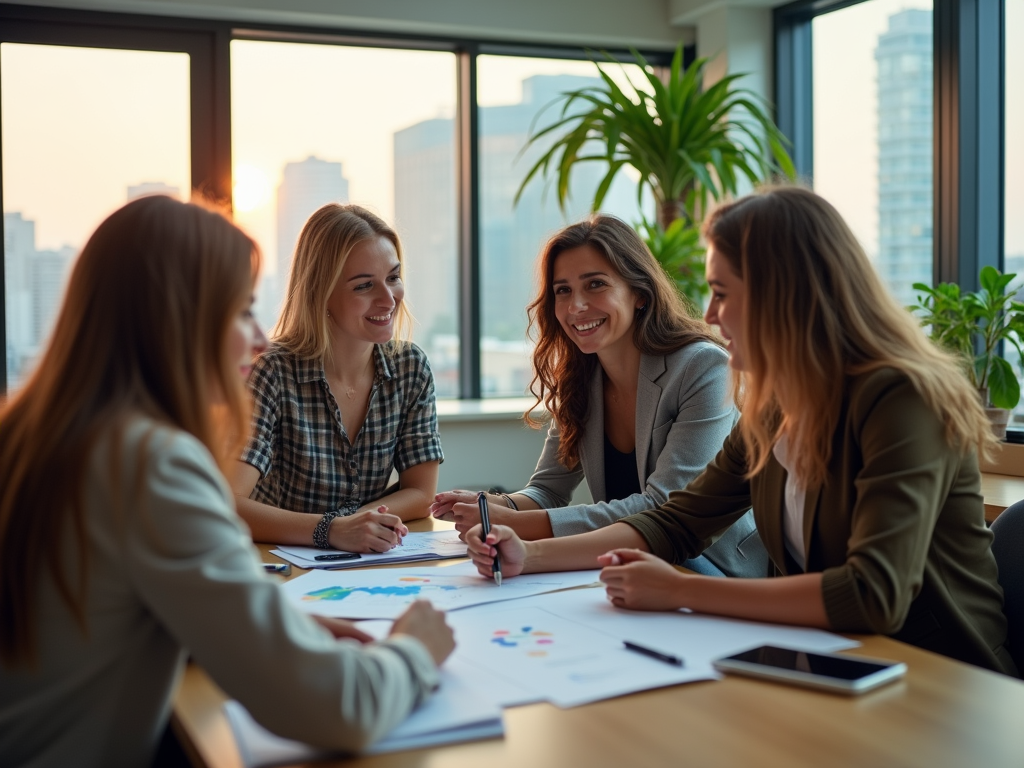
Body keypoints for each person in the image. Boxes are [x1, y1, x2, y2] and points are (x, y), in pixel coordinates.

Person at [465, 186, 1017, 676]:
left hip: (945, 683)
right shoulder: (778, 405)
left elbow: (872, 595)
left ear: (786, 292)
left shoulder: (901, 397)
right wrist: (528, 557)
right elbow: (677, 519)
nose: (710, 312)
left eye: (723, 292)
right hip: (837, 662)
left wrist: (682, 590)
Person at [0, 196, 455, 768]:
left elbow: (112, 611)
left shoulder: (46, 437)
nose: (260, 338)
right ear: (180, 320)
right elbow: (340, 708)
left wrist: (279, 626)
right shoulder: (153, 465)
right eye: (241, 312)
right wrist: (414, 651)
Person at [433, 215, 767, 577]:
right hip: (623, 562)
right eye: (563, 290)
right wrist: (494, 505)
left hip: (709, 565)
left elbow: (664, 507)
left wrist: (519, 528)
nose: (576, 306)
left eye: (595, 285)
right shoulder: (580, 378)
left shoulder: (703, 367)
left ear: (640, 293)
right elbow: (548, 490)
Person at [234, 204, 443, 554]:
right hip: (277, 564)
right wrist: (331, 530)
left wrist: (358, 525)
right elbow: (230, 503)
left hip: (361, 562)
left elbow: (422, 494)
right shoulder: (270, 372)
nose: (388, 299)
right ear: (321, 292)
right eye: (364, 286)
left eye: (393, 277)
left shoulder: (410, 367)